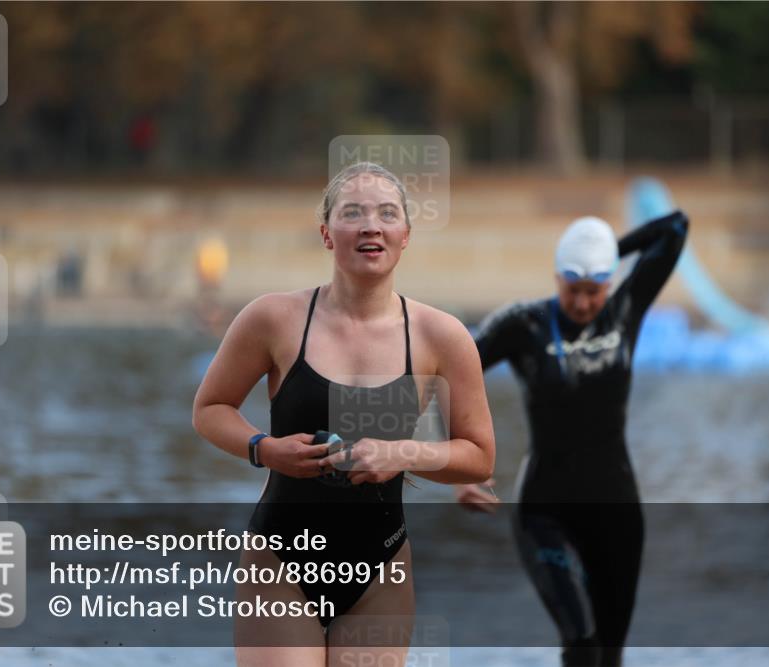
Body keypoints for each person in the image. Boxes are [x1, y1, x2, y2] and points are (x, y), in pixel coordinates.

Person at [193, 161, 496, 667]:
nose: (370, 225)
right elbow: (209, 409)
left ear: (405, 236)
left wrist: (402, 453)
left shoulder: (441, 336)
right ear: (327, 234)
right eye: (352, 213)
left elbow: (479, 456)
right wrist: (264, 449)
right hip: (281, 562)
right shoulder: (274, 319)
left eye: (386, 214)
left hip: (381, 569)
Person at [457, 210, 689, 666]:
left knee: (609, 653)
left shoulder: (625, 310)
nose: (583, 303)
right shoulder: (524, 325)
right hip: (546, 514)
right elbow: (452, 373)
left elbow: (675, 227)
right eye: (572, 289)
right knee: (581, 641)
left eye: (594, 291)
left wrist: (609, 251)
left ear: (608, 283)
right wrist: (461, 462)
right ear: (556, 278)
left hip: (617, 514)